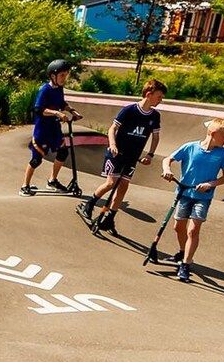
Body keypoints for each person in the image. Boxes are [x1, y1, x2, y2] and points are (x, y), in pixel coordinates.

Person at [81, 80, 166, 234]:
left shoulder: (155, 115)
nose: (161, 100)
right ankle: (90, 204)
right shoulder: (129, 110)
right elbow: (113, 128)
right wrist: (112, 145)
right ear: (149, 94)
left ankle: (110, 217)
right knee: (111, 183)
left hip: (133, 156)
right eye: (159, 97)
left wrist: (150, 155)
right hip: (117, 153)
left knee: (124, 186)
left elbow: (155, 137)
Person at [162, 119, 224, 283]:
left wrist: (211, 184)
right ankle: (182, 252)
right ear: (213, 134)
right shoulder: (190, 147)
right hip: (184, 193)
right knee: (178, 226)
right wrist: (166, 170)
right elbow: (168, 159)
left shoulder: (223, 154)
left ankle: (186, 264)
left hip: (203, 197)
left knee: (193, 230)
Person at [20, 59, 81, 196]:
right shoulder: (45, 89)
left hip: (54, 128)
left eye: (66, 75)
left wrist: (72, 110)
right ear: (53, 76)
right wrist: (57, 113)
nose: (64, 78)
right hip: (43, 130)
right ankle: (25, 186)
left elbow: (61, 102)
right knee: (37, 159)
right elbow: (38, 109)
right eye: (62, 75)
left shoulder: (59, 88)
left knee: (63, 152)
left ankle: (52, 180)